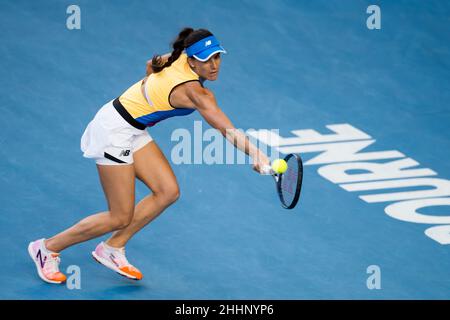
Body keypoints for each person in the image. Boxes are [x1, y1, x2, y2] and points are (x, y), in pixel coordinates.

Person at [28, 27, 270, 284]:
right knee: (119, 216)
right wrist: (256, 154)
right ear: (191, 60)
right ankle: (47, 248)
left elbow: (150, 64)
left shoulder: (177, 56)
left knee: (167, 191)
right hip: (113, 131)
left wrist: (151, 95)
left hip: (133, 127)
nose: (213, 66)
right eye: (206, 60)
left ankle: (112, 248)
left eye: (217, 57)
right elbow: (227, 130)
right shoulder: (197, 93)